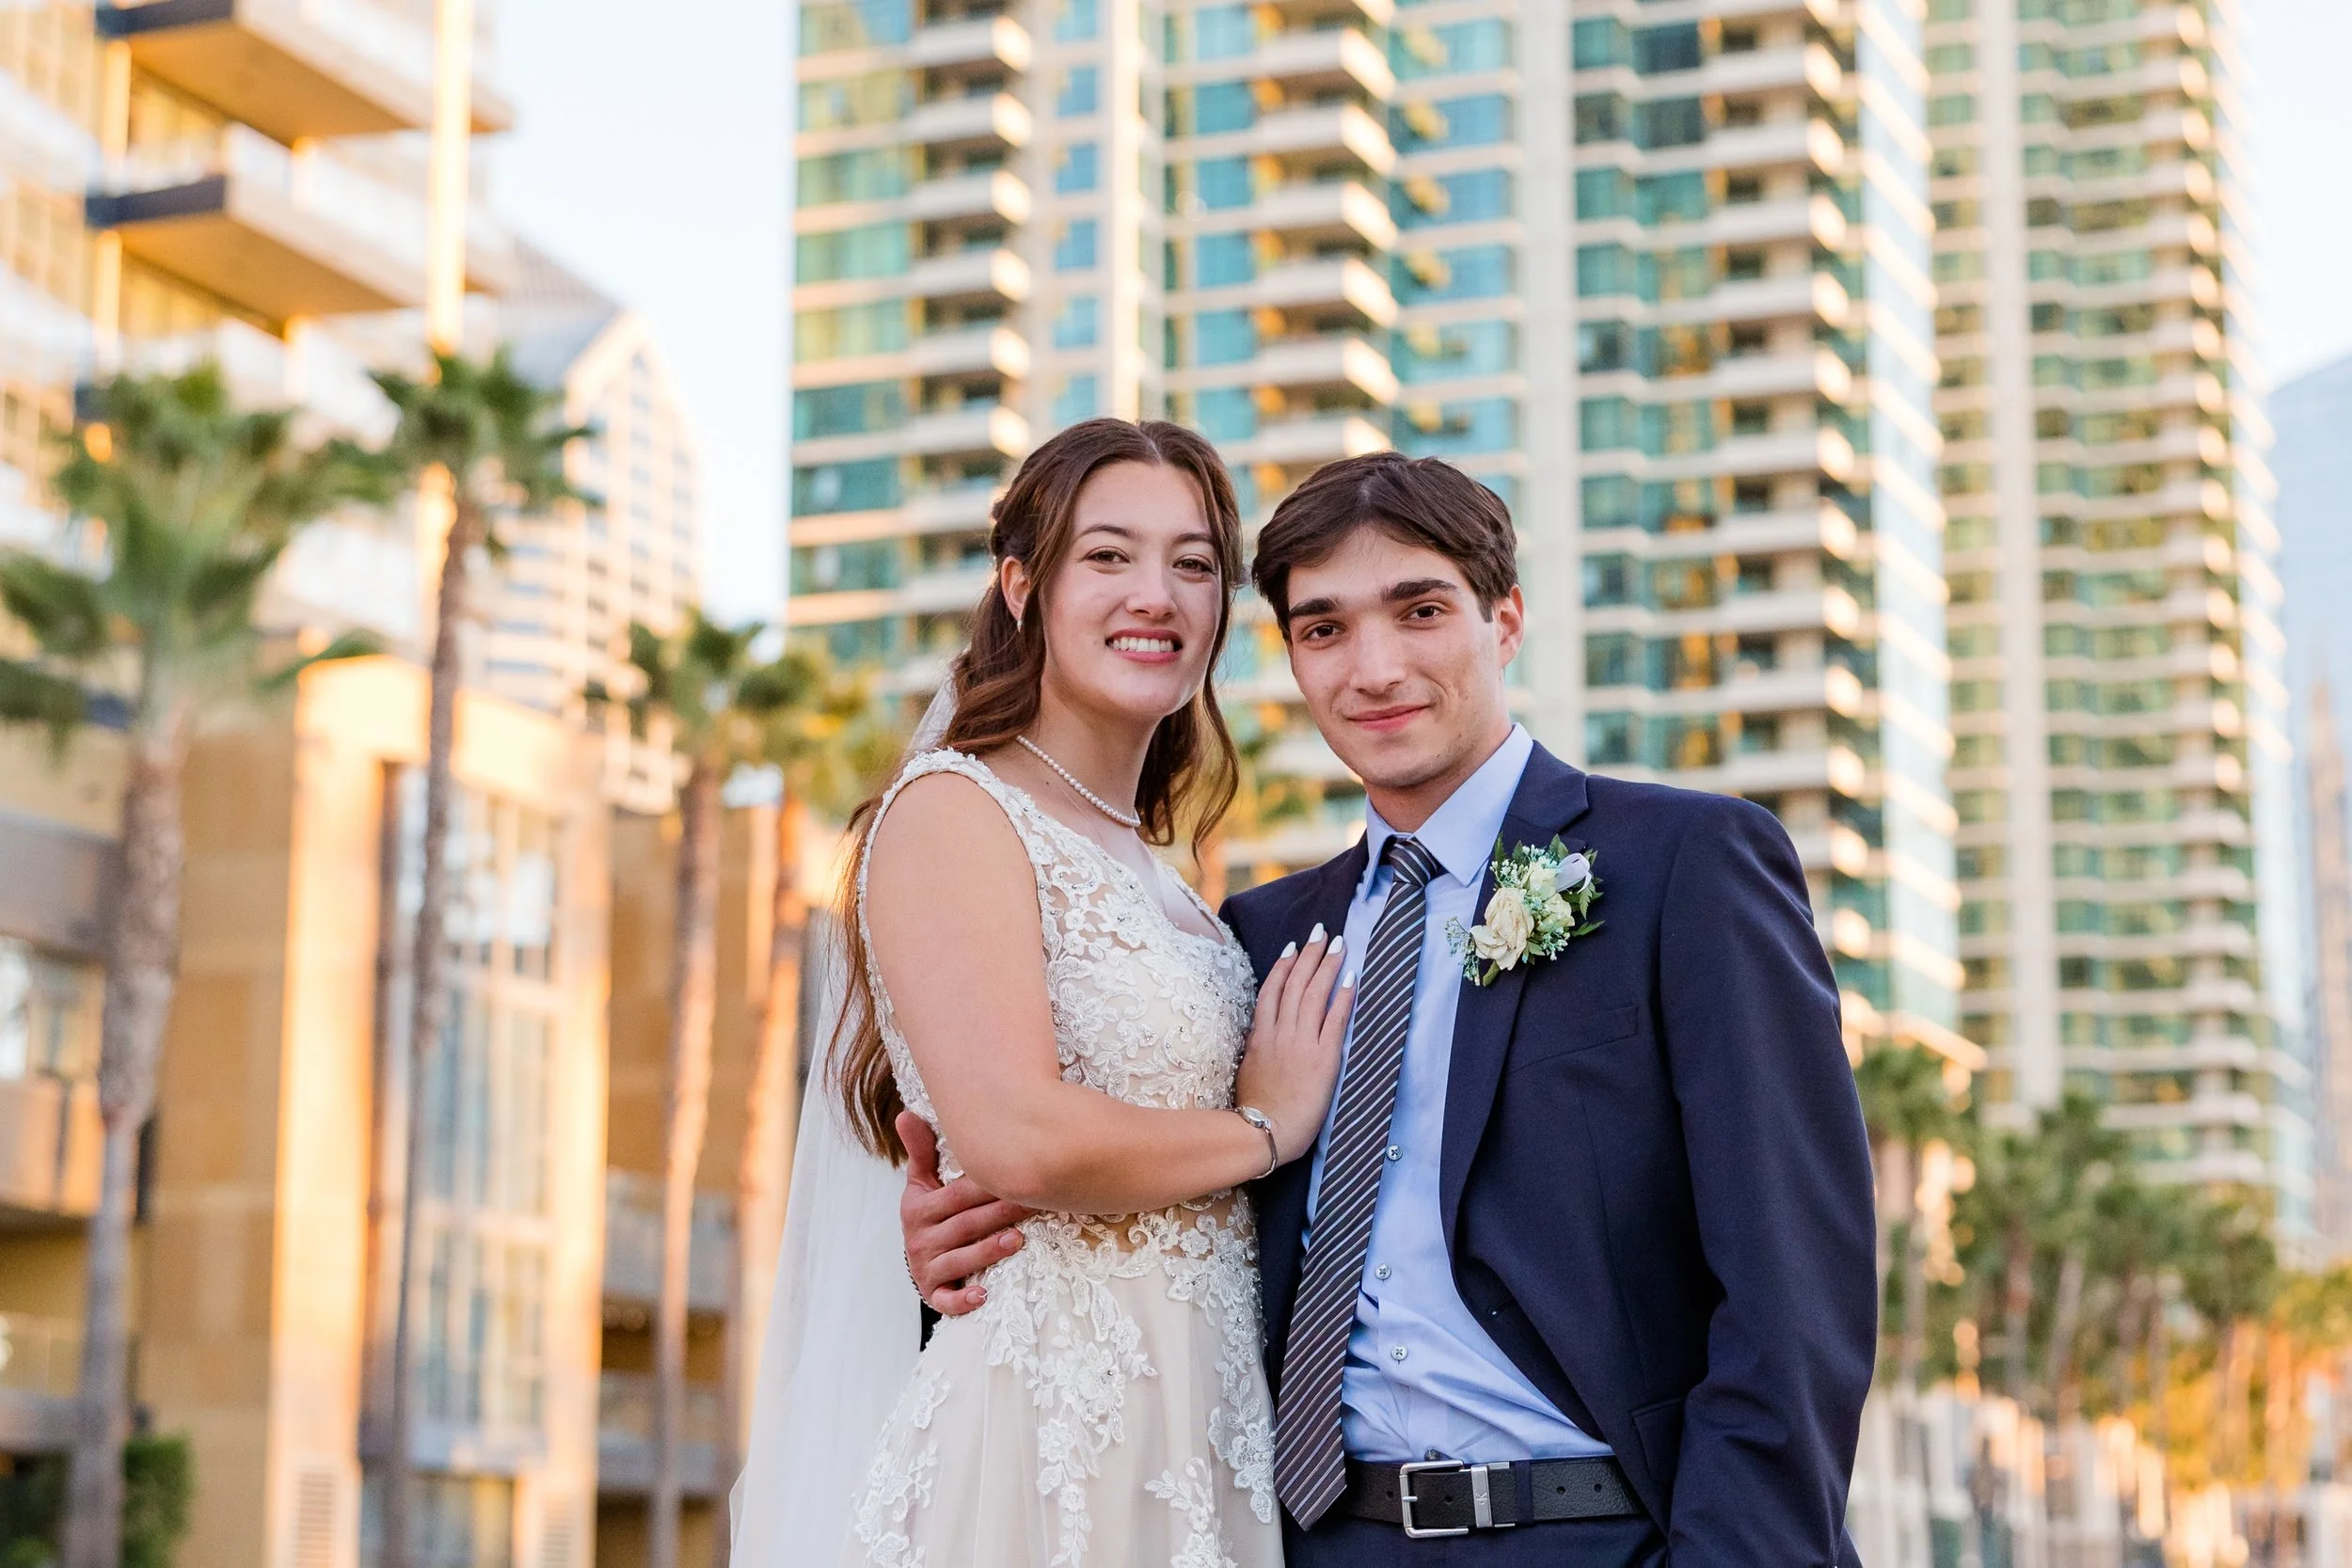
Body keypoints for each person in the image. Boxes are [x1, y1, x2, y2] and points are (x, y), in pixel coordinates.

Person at [902, 451, 1880, 1566]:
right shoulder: (1257, 938)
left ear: (1502, 618)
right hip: (1308, 1538)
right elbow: (1145, 1182)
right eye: (1322, 629)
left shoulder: (1684, 867)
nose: (1374, 668)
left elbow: (1795, 1288)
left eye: (1418, 611)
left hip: (1601, 1532)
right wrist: (966, 1238)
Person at [748, 417, 1357, 1567]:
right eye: (1109, 555)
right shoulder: (952, 811)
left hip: (1205, 1429)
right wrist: (1267, 1125)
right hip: (1041, 1442)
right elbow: (1016, 1133)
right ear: (1022, 586)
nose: (1157, 595)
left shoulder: (1162, 877)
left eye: (1192, 564)